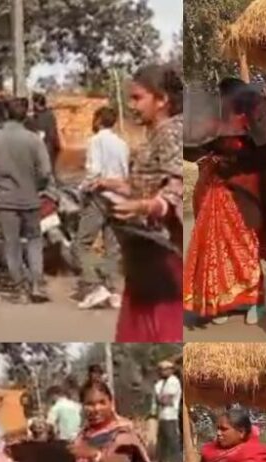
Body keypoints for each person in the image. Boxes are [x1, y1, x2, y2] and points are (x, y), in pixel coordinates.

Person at [93, 64, 184, 342]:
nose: (132, 106)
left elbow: (177, 186)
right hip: (144, 250)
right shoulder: (154, 134)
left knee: (162, 327)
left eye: (137, 98)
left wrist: (147, 206)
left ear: (162, 100)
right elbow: (147, 183)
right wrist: (113, 185)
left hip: (162, 251)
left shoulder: (170, 132)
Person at [184, 77, 266, 326]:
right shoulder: (213, 123)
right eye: (221, 97)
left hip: (246, 191)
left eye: (229, 96)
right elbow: (193, 147)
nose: (225, 101)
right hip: (217, 189)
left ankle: (254, 301)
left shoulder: (253, 122)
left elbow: (265, 151)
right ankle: (221, 300)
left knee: (246, 246)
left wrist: (238, 159)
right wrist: (207, 158)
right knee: (217, 247)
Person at [0, 97, 53, 304]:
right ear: (26, 115)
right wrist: (36, 185)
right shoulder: (34, 139)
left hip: (6, 198)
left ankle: (20, 287)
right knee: (34, 240)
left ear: (6, 114)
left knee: (11, 243)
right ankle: (37, 284)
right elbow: (46, 171)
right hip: (30, 197)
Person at [77, 105, 130, 309]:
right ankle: (115, 291)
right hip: (119, 196)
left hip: (99, 195)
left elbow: (94, 171)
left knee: (81, 243)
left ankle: (94, 285)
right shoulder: (122, 143)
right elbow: (125, 172)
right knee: (112, 246)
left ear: (98, 120)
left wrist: (82, 189)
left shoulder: (96, 140)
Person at [153, 360, 182, 462]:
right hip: (162, 417)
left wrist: (161, 399)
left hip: (171, 417)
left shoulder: (173, 381)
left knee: (173, 445)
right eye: (161, 369)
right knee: (161, 446)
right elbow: (159, 399)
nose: (163, 371)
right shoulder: (159, 383)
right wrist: (161, 399)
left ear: (171, 370)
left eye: (166, 369)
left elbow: (166, 400)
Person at [32, 92, 62, 172]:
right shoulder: (36, 115)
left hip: (47, 145)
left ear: (36, 103)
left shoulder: (48, 115)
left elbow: (52, 133)